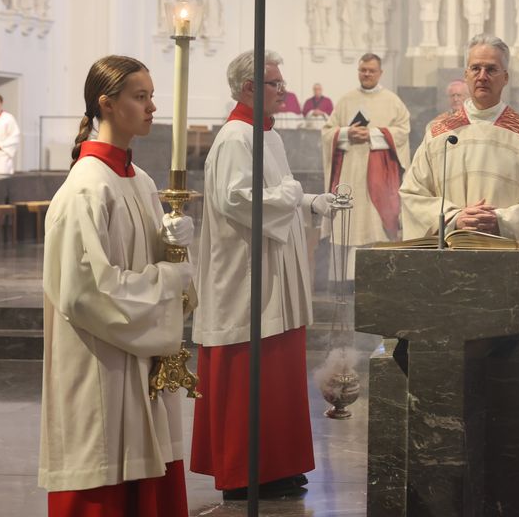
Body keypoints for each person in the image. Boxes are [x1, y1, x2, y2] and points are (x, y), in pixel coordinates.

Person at [400, 34, 519, 468]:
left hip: (507, 283)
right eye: (475, 67)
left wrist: (502, 219)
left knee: (505, 395)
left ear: (506, 77)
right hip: (450, 279)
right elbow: (413, 195)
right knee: (451, 390)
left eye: (491, 68)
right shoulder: (440, 132)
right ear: (465, 74)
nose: (482, 75)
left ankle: (501, 463)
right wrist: (455, 217)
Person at [39, 55, 194, 515]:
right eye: (140, 97)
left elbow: (163, 271)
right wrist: (169, 277)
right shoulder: (86, 188)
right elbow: (85, 293)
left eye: (152, 97)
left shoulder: (140, 181)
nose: (151, 108)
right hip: (101, 363)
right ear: (106, 104)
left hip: (139, 357)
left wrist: (177, 245)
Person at [190, 50, 333, 500]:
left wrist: (309, 202)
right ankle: (245, 471)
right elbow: (238, 199)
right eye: (274, 82)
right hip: (247, 276)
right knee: (251, 372)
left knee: (276, 373)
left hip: (273, 273)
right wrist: (293, 194)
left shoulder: (266, 135)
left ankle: (275, 466)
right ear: (250, 88)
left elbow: (276, 194)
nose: (283, 89)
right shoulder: (236, 138)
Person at [321, 53, 411, 254]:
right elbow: (327, 132)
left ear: (380, 73)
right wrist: (346, 133)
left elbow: (403, 131)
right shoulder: (346, 100)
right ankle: (346, 280)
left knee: (376, 226)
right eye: (363, 70)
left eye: (371, 70)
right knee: (351, 224)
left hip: (380, 176)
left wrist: (373, 134)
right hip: (350, 173)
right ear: (358, 71)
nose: (367, 74)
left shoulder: (392, 101)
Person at [0, 93, 20, 174]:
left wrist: (0, 145)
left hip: (2, 154)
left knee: (1, 178)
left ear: (1, 103)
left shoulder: (8, 118)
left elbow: (15, 136)